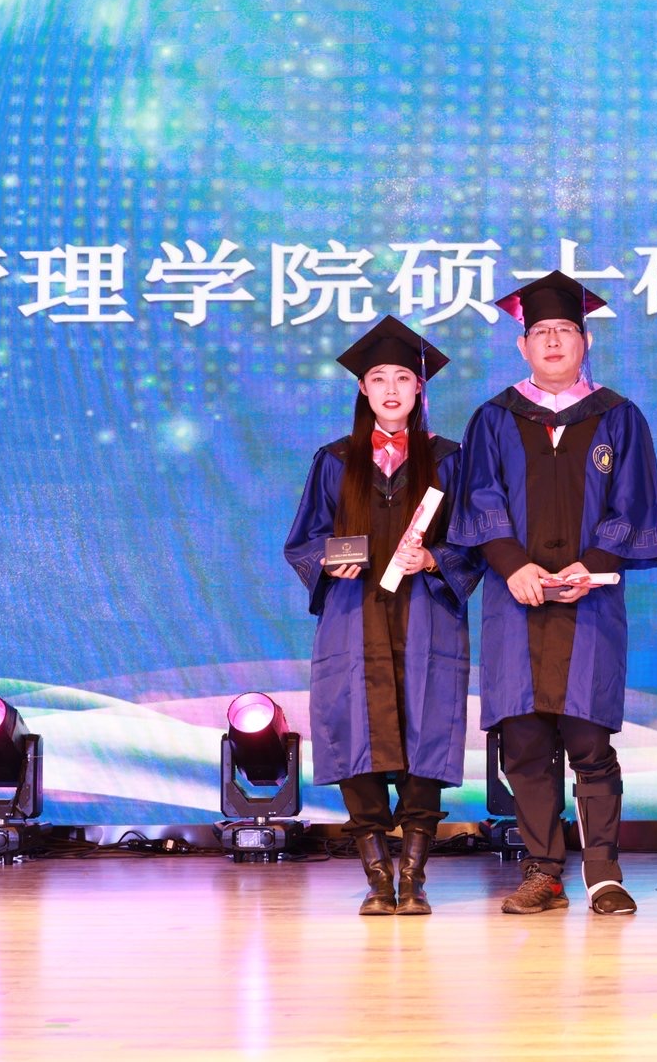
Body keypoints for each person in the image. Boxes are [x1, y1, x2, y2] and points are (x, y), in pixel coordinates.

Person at [449, 271, 657, 916]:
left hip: (589, 601)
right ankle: (543, 870)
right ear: (522, 345)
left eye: (564, 330)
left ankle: (603, 872)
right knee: (523, 743)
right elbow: (479, 501)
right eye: (540, 331)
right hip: (513, 602)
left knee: (590, 741)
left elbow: (633, 504)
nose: (552, 341)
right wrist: (512, 565)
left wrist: (590, 566)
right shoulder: (494, 418)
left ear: (584, 341)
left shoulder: (618, 417)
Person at [284, 315, 482, 917]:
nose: (391, 389)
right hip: (354, 617)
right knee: (354, 729)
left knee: (427, 727)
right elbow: (305, 540)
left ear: (420, 388)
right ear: (362, 389)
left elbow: (476, 540)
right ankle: (376, 876)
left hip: (427, 615)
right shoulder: (335, 460)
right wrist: (328, 560)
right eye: (378, 378)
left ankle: (414, 876)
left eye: (402, 378)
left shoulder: (449, 460)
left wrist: (435, 558)